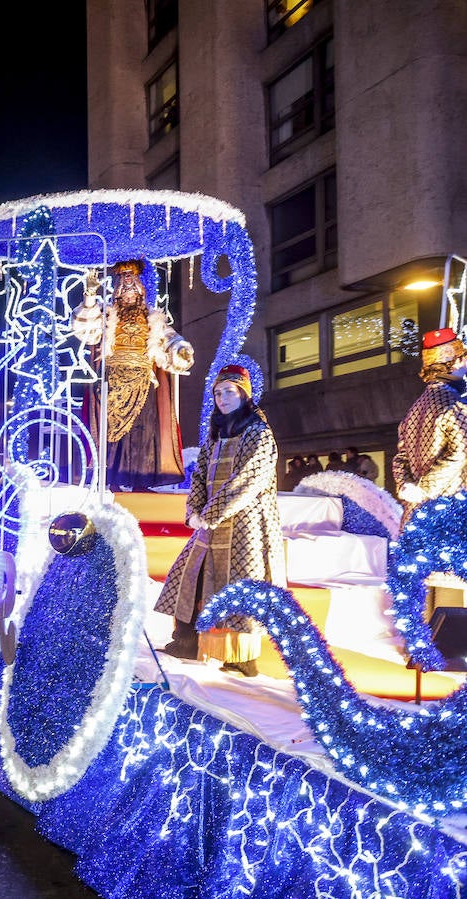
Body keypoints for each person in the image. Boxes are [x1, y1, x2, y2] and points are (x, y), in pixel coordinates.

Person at [154, 365, 285, 676]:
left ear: (243, 394)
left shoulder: (258, 433)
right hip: (210, 522)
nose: (222, 398)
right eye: (217, 393)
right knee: (189, 575)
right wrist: (194, 511)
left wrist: (209, 515)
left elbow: (247, 480)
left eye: (229, 391)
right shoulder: (216, 432)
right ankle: (186, 641)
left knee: (239, 586)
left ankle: (241, 658)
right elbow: (199, 475)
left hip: (246, 525)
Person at [72, 262, 194, 489]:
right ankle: (113, 480)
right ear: (117, 291)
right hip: (113, 382)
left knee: (144, 432)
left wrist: (181, 350)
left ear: (140, 290)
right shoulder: (107, 315)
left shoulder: (153, 319)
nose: (128, 292)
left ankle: (141, 481)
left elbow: (170, 341)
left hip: (143, 382)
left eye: (132, 287)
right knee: (112, 434)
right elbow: (86, 332)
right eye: (124, 288)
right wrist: (90, 296)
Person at [392, 327, 467, 528]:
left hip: (414, 517)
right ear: (456, 362)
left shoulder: (413, 410)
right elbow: (460, 453)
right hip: (448, 512)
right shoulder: (456, 404)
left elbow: (400, 457)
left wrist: (406, 487)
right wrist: (424, 489)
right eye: (464, 358)